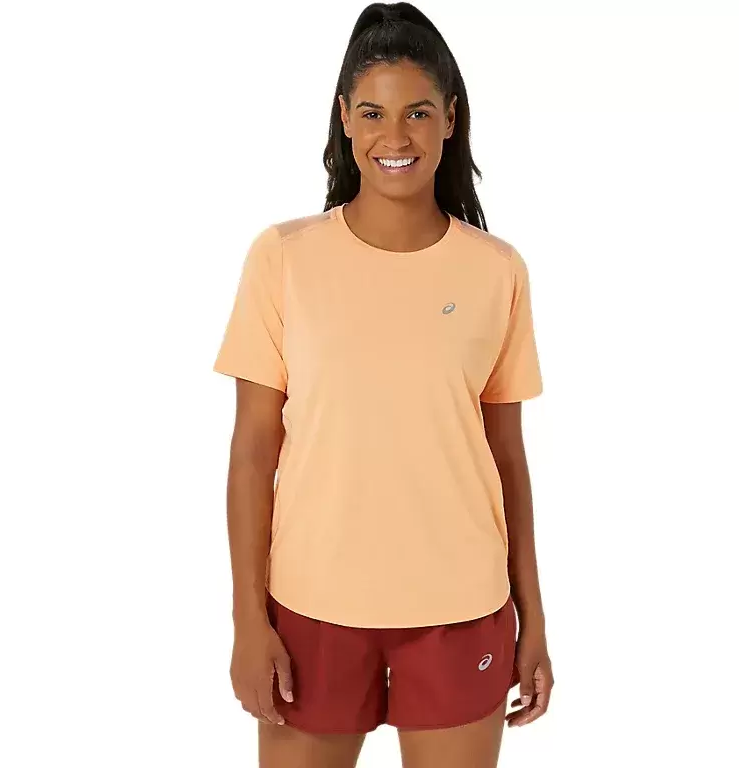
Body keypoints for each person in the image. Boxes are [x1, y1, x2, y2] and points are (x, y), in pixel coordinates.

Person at [212, 3, 553, 766]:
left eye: (417, 113)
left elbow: (507, 459)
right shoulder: (283, 258)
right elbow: (252, 452)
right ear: (344, 118)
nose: (394, 137)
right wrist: (246, 621)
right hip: (311, 607)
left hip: (462, 608)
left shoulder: (497, 270)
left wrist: (532, 618)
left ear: (450, 119)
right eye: (372, 113)